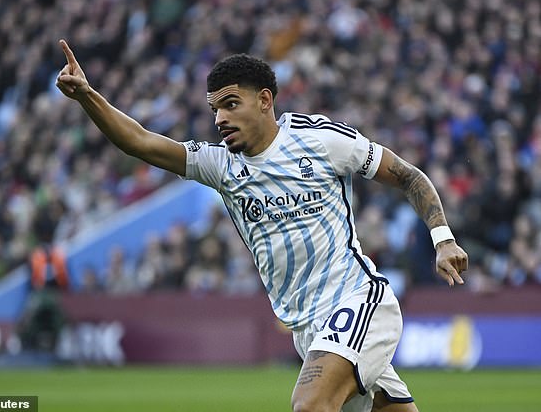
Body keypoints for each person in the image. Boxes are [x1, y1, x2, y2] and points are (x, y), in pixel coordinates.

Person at [56, 39, 469, 412]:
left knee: (308, 406)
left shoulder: (320, 140)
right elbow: (140, 141)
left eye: (231, 104)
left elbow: (408, 175)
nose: (219, 118)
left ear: (265, 100)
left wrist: (443, 237)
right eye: (214, 108)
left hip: (357, 300)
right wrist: (88, 96)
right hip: (307, 328)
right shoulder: (219, 164)